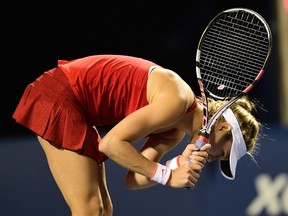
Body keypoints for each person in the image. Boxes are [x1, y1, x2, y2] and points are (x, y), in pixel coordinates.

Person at [12, 54, 260, 216]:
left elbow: (133, 179)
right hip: (59, 95)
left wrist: (175, 165)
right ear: (223, 128)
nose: (214, 158)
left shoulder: (174, 132)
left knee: (103, 211)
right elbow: (111, 144)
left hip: (80, 110)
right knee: (89, 210)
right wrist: (167, 176)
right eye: (222, 154)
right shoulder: (177, 100)